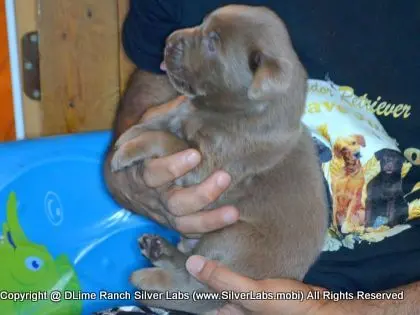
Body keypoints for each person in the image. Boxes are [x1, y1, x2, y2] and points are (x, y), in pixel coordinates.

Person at [104, 0, 420, 314]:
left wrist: (347, 310)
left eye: (212, 41)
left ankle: (189, 288)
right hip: (216, 269)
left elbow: (201, 162)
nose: (178, 38)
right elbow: (146, 99)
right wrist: (129, 176)